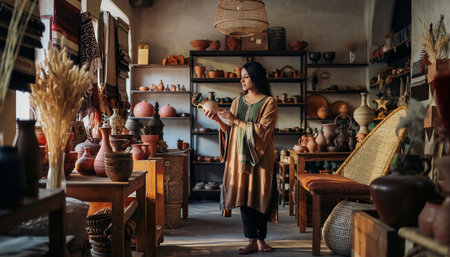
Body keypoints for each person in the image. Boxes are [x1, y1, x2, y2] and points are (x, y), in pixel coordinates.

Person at [202, 61, 278, 254]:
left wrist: (236, 120)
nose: (241, 80)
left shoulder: (269, 102)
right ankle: (252, 240)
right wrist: (218, 120)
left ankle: (262, 239)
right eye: (241, 76)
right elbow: (232, 132)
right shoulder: (237, 102)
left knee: (260, 195)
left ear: (256, 77)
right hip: (239, 158)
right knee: (244, 196)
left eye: (246, 76)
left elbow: (262, 132)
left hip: (261, 158)